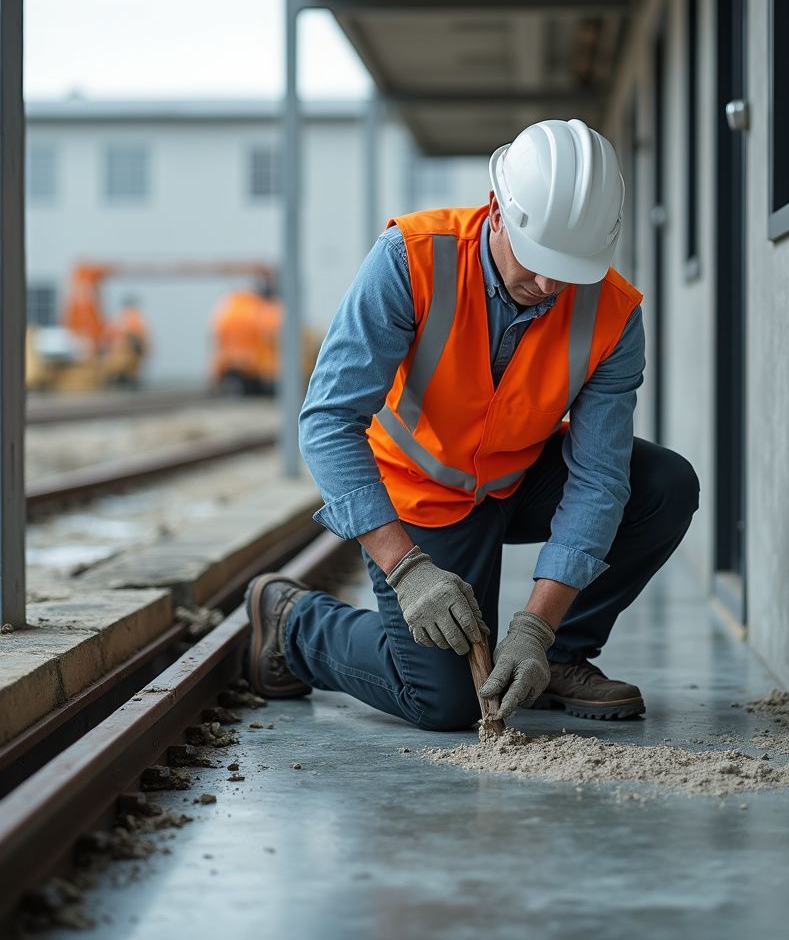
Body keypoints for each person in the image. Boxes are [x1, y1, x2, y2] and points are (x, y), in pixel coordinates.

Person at [243, 118, 699, 730]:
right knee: (448, 703)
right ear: (496, 211)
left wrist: (536, 626)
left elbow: (597, 479)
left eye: (568, 270)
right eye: (536, 262)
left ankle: (558, 656)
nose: (546, 285)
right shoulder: (411, 261)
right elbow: (327, 422)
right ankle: (293, 622)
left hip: (519, 476)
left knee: (664, 484)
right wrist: (406, 569)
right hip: (422, 497)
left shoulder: (613, 315)